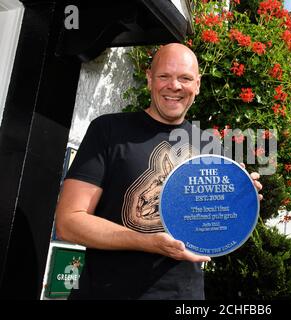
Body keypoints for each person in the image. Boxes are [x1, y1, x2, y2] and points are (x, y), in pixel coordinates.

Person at [55, 43, 263, 300]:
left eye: (185, 78)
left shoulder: (210, 146)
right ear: (149, 79)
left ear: (197, 85)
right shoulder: (108, 131)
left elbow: (213, 223)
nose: (174, 86)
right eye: (164, 76)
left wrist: (241, 197)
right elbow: (69, 222)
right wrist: (148, 242)